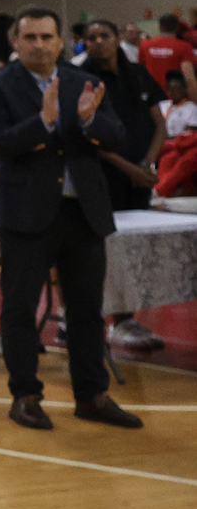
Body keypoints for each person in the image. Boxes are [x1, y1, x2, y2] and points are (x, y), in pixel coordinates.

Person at [0, 6, 141, 430]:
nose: (39, 45)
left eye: (47, 37)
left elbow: (118, 135)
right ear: (15, 42)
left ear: (60, 41)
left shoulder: (82, 81)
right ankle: (26, 395)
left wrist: (88, 119)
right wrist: (43, 122)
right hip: (27, 214)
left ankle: (91, 395)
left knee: (87, 309)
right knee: (19, 308)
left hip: (81, 211)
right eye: (30, 37)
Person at [75, 18, 170, 352]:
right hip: (104, 175)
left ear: (117, 39)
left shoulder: (139, 75)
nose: (98, 42)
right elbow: (86, 139)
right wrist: (129, 168)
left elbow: (160, 124)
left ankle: (127, 317)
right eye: (91, 37)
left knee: (133, 248)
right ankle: (106, 318)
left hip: (140, 174)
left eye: (104, 36)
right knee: (104, 248)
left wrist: (147, 164)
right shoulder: (83, 80)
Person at [137, 12, 194, 94]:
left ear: (160, 27)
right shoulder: (185, 47)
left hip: (152, 96)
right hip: (176, 97)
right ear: (177, 28)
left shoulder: (145, 45)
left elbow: (140, 71)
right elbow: (189, 77)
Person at [166, 70, 197, 139]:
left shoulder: (192, 108)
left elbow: (189, 134)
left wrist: (165, 139)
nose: (174, 91)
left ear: (185, 89)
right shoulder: (163, 105)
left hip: (179, 145)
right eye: (171, 88)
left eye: (177, 88)